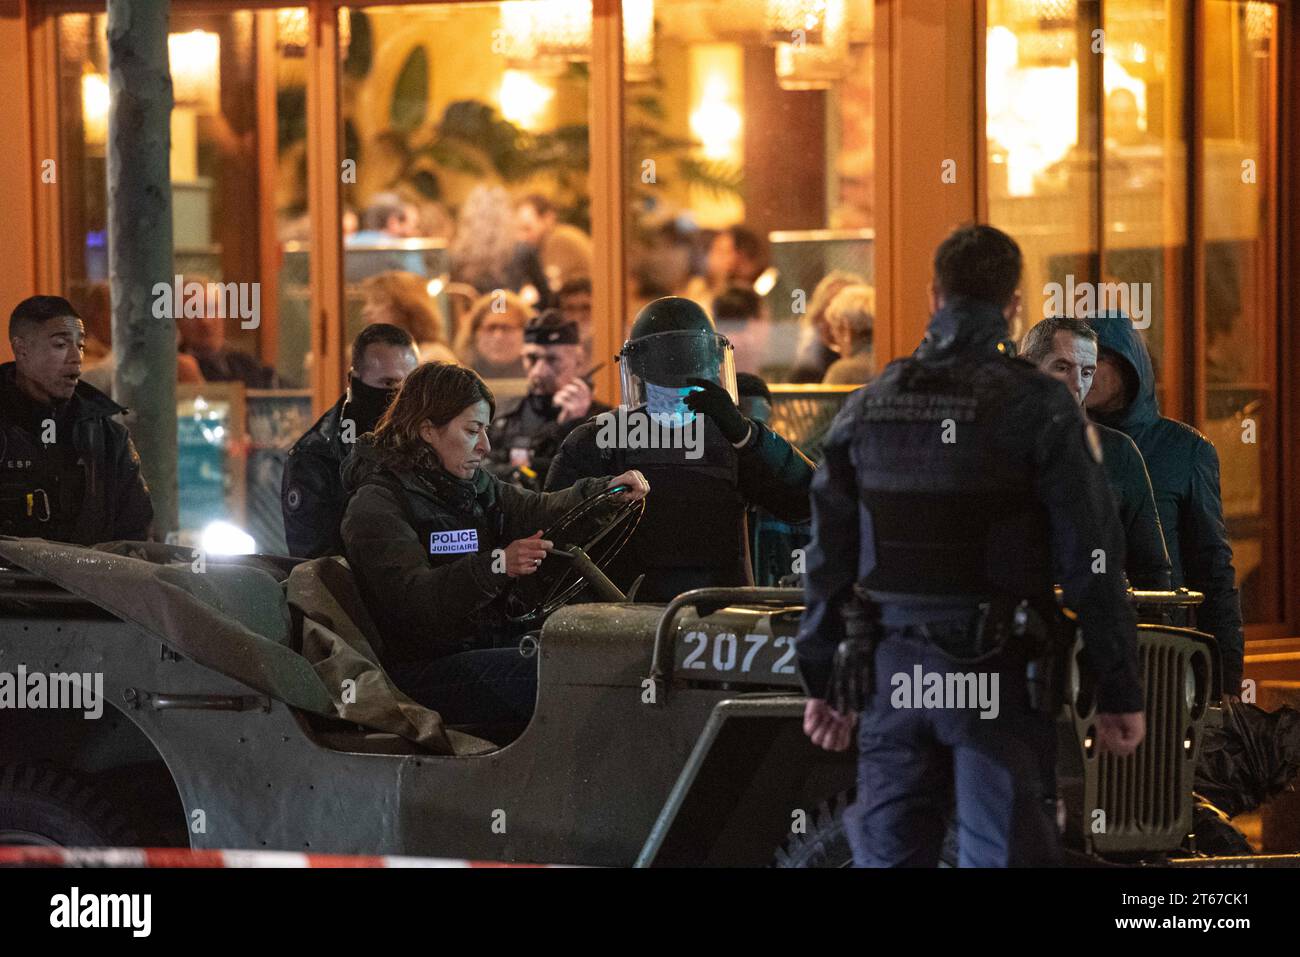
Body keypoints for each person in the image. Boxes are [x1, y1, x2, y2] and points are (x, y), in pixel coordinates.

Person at [796, 225, 1145, 867]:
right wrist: (1119, 687)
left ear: (934, 297)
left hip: (892, 674)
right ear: (1014, 305)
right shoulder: (1040, 408)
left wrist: (822, 679)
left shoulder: (869, 405)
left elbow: (826, 558)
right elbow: (1093, 558)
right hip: (995, 676)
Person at [339, 362, 647, 725]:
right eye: (472, 431)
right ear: (427, 430)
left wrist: (603, 493)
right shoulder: (377, 505)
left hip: (480, 646)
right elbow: (415, 603)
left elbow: (537, 510)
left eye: (485, 430)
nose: (485, 446)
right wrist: (497, 565)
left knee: (581, 652)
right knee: (558, 676)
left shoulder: (470, 487)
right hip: (416, 672)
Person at [546, 296, 815, 603]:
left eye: (684, 389)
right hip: (624, 621)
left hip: (721, 618)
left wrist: (748, 435)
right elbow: (556, 536)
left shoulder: (731, 437)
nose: (675, 402)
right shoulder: (598, 440)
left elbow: (807, 499)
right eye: (666, 389)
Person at [1085, 311, 1245, 699]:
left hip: (1160, 647)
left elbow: (1213, 569)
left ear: (1127, 366)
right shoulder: (1063, 446)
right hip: (1085, 646)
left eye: (1097, 360)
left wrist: (1225, 680)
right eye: (1073, 362)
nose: (1085, 373)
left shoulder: (1185, 451)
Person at [1020, 316, 1171, 591]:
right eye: (1062, 367)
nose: (1077, 384)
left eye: (1087, 372)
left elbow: (1151, 567)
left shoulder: (1118, 451)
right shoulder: (994, 444)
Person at [1, 295, 153, 545]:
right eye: (60, 345)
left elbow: (134, 533)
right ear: (22, 349)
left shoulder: (108, 438)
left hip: (84, 583)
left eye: (80, 346)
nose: (76, 357)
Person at [281, 323, 419, 559]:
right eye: (388, 384)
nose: (400, 396)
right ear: (354, 380)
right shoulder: (318, 455)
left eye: (409, 385)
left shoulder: (427, 437)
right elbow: (316, 561)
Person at [486, 311, 610, 490]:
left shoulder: (603, 419)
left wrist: (576, 426)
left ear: (578, 361)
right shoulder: (503, 415)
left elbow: (591, 483)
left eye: (553, 359)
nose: (539, 372)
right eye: (532, 358)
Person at [358, 271, 458, 364]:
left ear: (405, 307)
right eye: (367, 302)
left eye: (378, 301)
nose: (366, 310)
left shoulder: (431, 356)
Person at [789, 270, 866, 383]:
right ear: (819, 315)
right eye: (833, 305)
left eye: (848, 306)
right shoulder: (812, 358)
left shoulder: (867, 359)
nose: (838, 313)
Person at [515, 194, 593, 296]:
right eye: (518, 230)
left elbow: (552, 288)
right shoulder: (546, 243)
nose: (522, 237)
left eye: (527, 228)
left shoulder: (560, 241)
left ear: (548, 219)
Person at [453, 290, 530, 379]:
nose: (498, 336)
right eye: (491, 328)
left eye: (506, 328)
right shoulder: (460, 377)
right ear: (474, 334)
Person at [821, 284, 877, 386]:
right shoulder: (893, 363)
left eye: (835, 332)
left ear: (845, 328)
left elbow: (826, 402)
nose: (837, 343)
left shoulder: (844, 372)